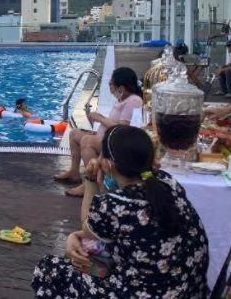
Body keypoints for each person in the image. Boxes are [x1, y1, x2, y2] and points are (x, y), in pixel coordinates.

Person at [32, 126, 208, 298]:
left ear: (107, 165)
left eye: (101, 154)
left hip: (142, 292)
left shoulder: (114, 205)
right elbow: (122, 230)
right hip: (189, 289)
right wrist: (77, 235)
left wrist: (91, 179)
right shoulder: (168, 183)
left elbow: (88, 229)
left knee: (49, 268)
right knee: (93, 260)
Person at [55, 67, 143, 197]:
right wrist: (100, 118)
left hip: (118, 143)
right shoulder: (122, 99)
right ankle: (74, 172)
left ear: (121, 88)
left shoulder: (133, 101)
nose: (109, 86)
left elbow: (123, 128)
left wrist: (99, 118)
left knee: (87, 141)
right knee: (74, 134)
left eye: (111, 83)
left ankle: (90, 184)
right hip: (106, 137)